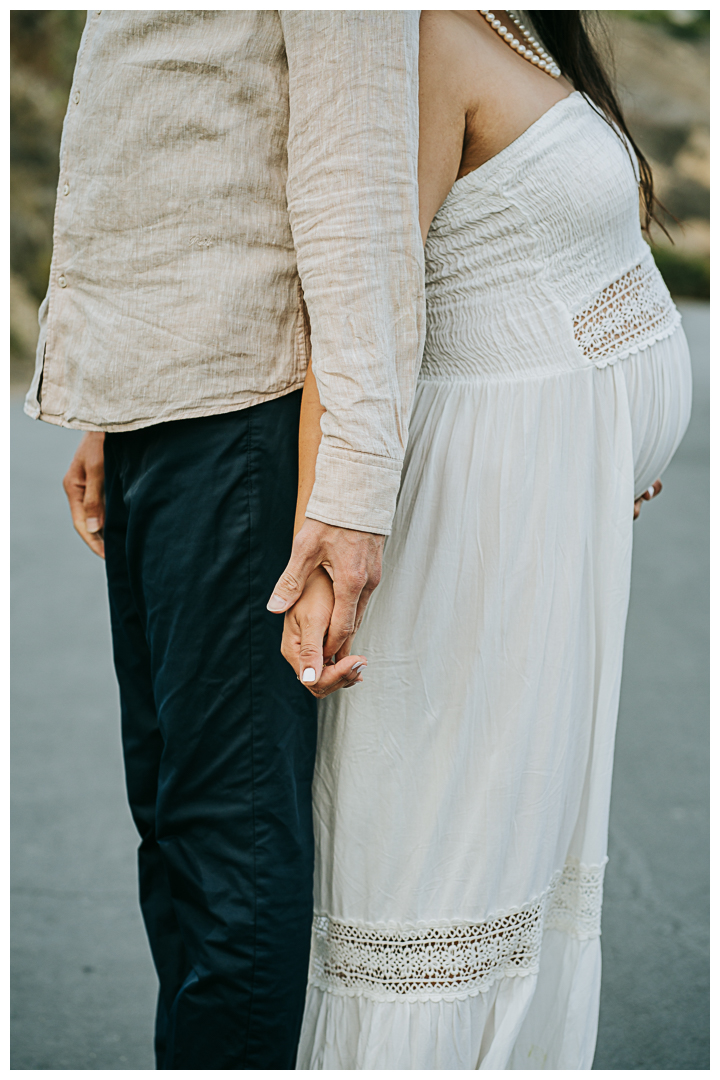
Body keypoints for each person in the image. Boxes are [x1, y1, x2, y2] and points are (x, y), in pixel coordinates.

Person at [284, 10, 692, 1069]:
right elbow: (363, 305)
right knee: (448, 854)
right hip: (478, 512)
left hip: (550, 511)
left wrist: (603, 438)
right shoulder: (414, 35)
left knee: (523, 850)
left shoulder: (522, 26)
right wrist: (325, 536)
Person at [25, 12, 425, 1070]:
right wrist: (113, 400)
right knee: (172, 823)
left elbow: (358, 172)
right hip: (165, 393)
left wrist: (350, 486)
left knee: (226, 837)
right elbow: (170, 127)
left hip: (245, 410)